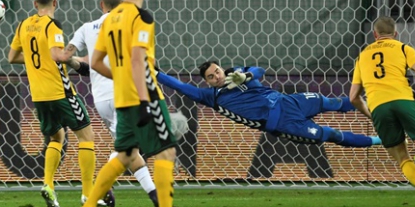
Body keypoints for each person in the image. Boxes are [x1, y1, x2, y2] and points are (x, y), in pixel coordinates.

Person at [72, 0, 200, 207]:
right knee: (166, 151)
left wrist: (120, 80)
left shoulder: (109, 20)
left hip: (122, 97)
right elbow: (138, 59)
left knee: (126, 154)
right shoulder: (142, 18)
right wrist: (144, 99)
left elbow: (95, 63)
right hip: (146, 95)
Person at [65, 0, 159, 207]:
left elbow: (68, 56)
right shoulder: (130, 24)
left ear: (101, 4)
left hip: (101, 100)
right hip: (125, 94)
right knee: (127, 148)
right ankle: (100, 188)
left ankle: (155, 194)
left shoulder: (87, 27)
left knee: (129, 147)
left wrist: (68, 60)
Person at [8, 0, 97, 207]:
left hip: (38, 95)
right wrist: (78, 62)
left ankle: (48, 184)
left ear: (35, 3)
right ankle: (87, 194)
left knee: (56, 137)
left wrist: (33, 59)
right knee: (86, 136)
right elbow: (57, 54)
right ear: (55, 3)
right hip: (60, 91)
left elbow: (12, 57)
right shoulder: (52, 26)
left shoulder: (23, 25)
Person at [156, 62, 382, 148]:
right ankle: (380, 140)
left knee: (332, 102)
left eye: (217, 70)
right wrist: (154, 73)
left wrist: (244, 76)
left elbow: (259, 70)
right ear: (207, 82)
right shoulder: (210, 96)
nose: (217, 76)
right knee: (331, 135)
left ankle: (380, 105)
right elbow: (179, 85)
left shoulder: (236, 73)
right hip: (282, 122)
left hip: (289, 101)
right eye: (211, 76)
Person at [349, 16, 415, 206]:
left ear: (374, 34)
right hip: (403, 100)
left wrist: (371, 114)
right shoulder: (403, 48)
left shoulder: (362, 56)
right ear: (395, 33)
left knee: (403, 159)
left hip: (378, 106)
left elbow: (353, 97)